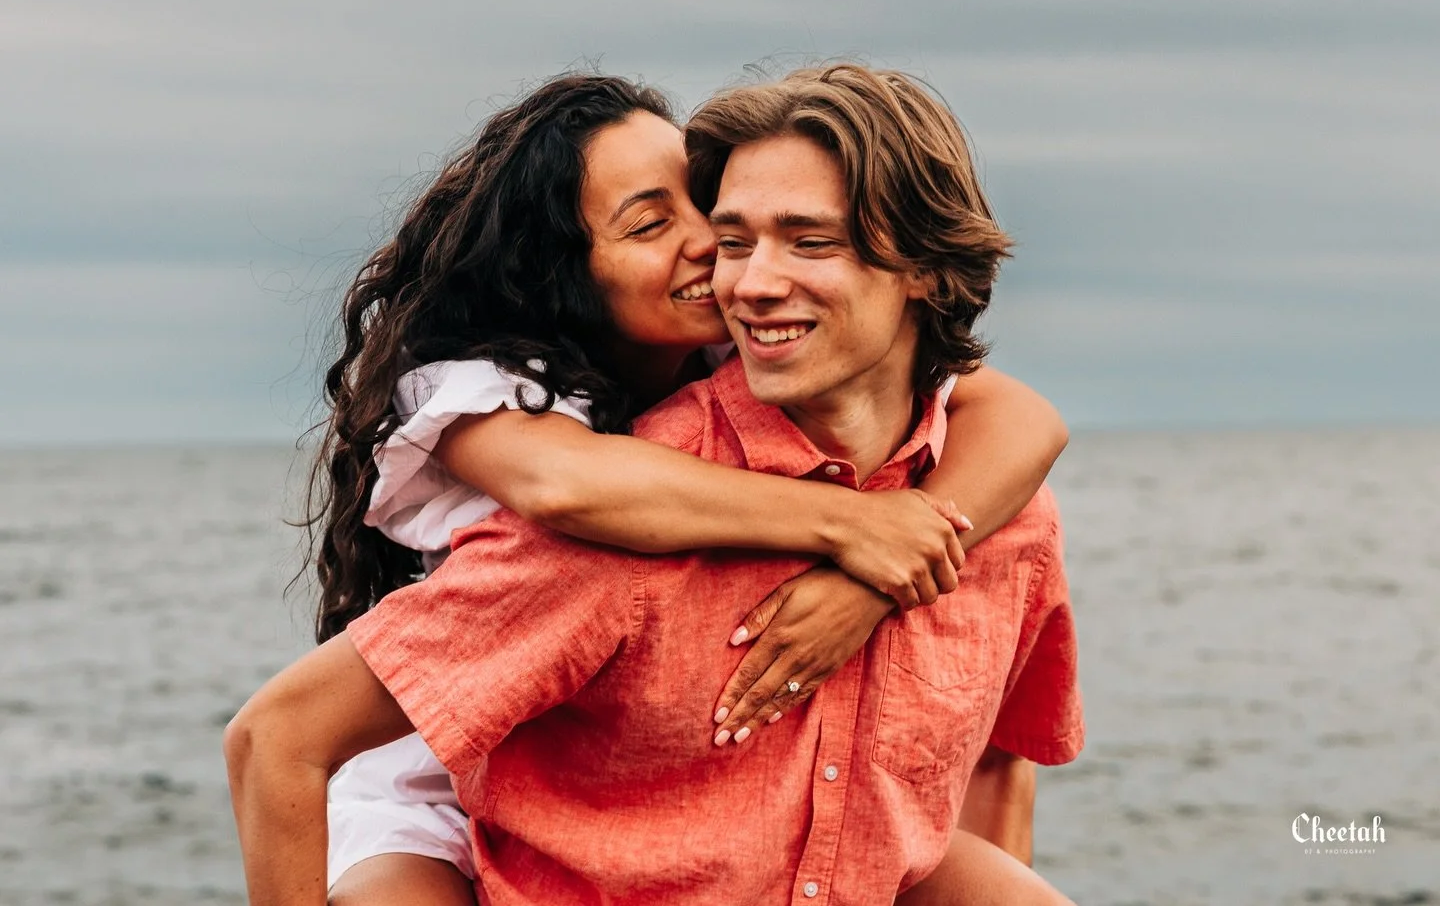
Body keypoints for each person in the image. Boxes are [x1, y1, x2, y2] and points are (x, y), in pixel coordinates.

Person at [235, 68, 1077, 904]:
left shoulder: (901, 436)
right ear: (565, 274)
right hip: (427, 771)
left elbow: (1021, 418)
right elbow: (569, 487)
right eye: (658, 225)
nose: (728, 265)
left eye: (712, 218)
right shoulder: (506, 420)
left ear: (923, 268)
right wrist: (854, 530)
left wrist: (885, 567)